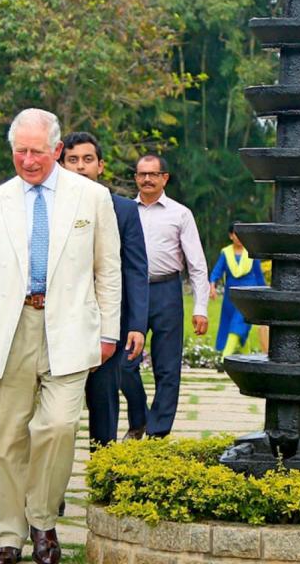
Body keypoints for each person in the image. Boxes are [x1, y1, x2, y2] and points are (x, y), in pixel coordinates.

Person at [0, 109, 122, 564]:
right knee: (9, 438)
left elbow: (108, 270)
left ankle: (43, 522)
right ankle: (8, 537)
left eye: (37, 151)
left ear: (56, 150)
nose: (28, 160)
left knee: (60, 426)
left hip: (70, 329)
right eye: (20, 151)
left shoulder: (91, 197)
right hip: (11, 330)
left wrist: (109, 329)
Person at [58, 132, 148, 448]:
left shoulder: (123, 210)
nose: (80, 167)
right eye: (72, 160)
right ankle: (51, 484)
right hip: (60, 320)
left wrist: (136, 324)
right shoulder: (50, 208)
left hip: (107, 322)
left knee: (103, 401)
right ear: (60, 164)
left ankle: (103, 471)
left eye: (87, 159)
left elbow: (136, 271)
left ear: (101, 165)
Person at [121, 154, 209, 439]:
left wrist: (201, 308)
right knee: (123, 363)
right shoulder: (123, 211)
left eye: (153, 174)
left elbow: (196, 265)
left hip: (167, 292)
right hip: (131, 292)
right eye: (141, 174)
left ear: (164, 178)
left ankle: (158, 430)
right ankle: (140, 418)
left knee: (167, 366)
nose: (147, 179)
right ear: (135, 177)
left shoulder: (180, 213)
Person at [209, 222, 266, 356]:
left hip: (249, 297)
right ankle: (246, 357)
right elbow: (216, 272)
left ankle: (225, 358)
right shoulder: (226, 253)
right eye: (236, 234)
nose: (239, 237)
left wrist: (264, 298)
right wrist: (212, 286)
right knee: (235, 326)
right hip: (231, 298)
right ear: (231, 236)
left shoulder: (252, 253)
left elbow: (259, 276)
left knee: (238, 324)